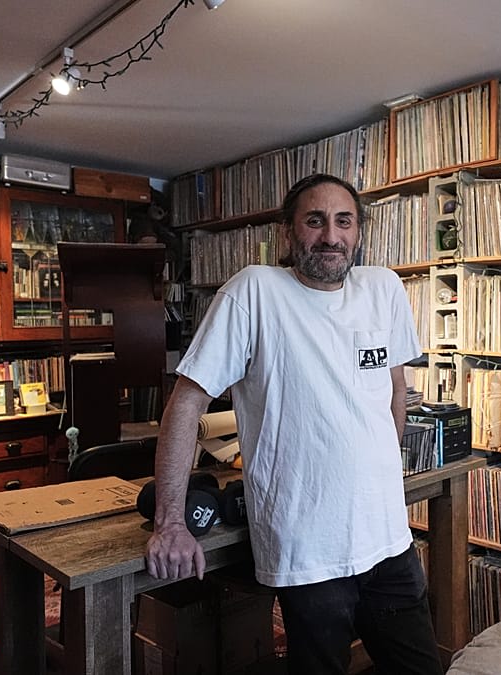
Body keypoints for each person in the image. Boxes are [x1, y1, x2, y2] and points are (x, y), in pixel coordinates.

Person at [145, 173, 443, 675]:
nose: (331, 235)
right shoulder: (254, 292)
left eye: (343, 221)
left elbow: (394, 389)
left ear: (359, 231)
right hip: (307, 551)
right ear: (288, 233)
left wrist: (382, 477)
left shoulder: (384, 288)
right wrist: (171, 522)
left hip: (389, 541)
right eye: (315, 220)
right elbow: (187, 402)